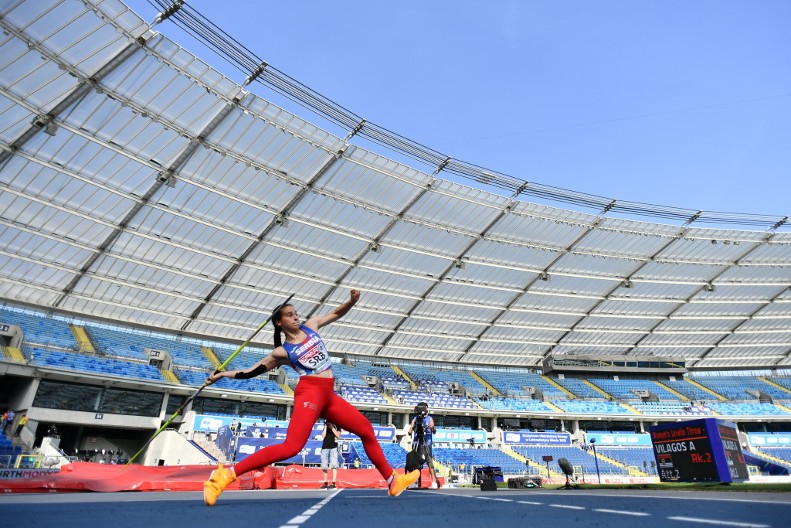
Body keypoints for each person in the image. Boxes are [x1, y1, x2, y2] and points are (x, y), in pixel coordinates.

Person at [202, 290, 419, 506]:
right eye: (289, 314)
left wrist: (351, 302)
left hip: (328, 394)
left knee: (365, 430)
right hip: (310, 393)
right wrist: (221, 374)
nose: (296, 316)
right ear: (279, 322)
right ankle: (225, 476)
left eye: (296, 313)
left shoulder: (312, 325)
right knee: (291, 447)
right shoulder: (282, 352)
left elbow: (336, 313)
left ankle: (392, 480)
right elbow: (249, 372)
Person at [407, 402, 440, 489]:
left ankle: (433, 482)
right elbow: (410, 430)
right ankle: (414, 482)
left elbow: (433, 428)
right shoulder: (415, 419)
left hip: (427, 443)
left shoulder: (430, 418)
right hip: (416, 443)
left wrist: (430, 427)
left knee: (429, 462)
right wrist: (412, 430)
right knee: (415, 464)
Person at [320, 421, 341, 489]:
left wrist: (332, 427)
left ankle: (333, 483)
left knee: (334, 466)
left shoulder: (338, 425)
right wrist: (326, 426)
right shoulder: (325, 426)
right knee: (324, 466)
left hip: (334, 447)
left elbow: (338, 435)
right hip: (325, 447)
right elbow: (323, 436)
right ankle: (325, 483)